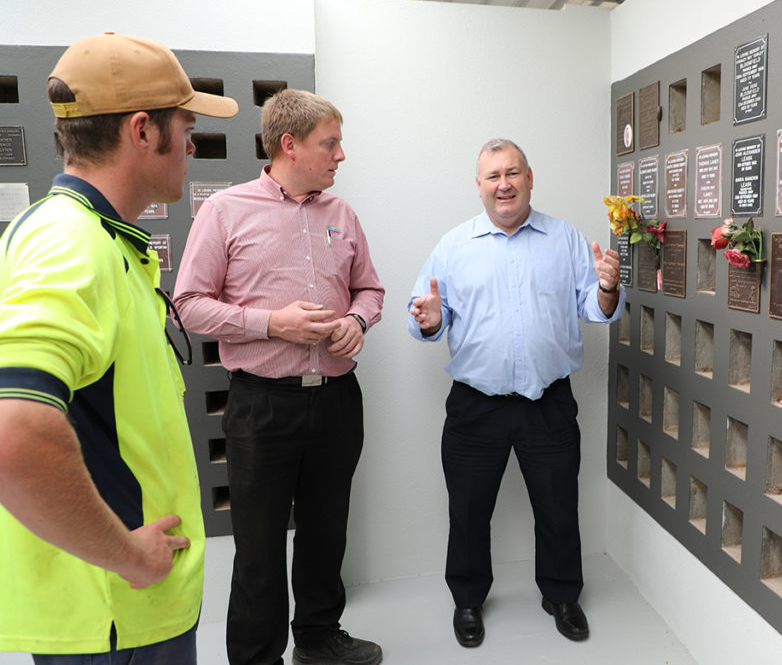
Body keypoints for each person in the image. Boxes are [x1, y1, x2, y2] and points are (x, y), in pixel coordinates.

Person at [0, 33, 237, 663]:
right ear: (142, 131)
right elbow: (13, 432)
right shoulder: (71, 243)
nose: (191, 144)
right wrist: (128, 555)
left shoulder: (94, 237)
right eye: (185, 126)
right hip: (116, 612)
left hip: (124, 605)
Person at [173, 88, 384, 665]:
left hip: (338, 400)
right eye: (331, 143)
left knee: (326, 532)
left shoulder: (342, 214)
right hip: (262, 406)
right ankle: (255, 656)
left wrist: (357, 320)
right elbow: (188, 305)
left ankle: (317, 638)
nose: (340, 155)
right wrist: (275, 325)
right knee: (259, 548)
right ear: (290, 145)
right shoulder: (225, 210)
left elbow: (370, 288)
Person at [407, 138, 624, 647]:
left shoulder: (565, 238)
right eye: (492, 176)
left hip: (547, 403)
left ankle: (562, 594)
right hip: (475, 406)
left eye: (512, 173)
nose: (503, 184)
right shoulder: (453, 246)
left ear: (529, 177)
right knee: (467, 508)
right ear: (479, 186)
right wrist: (432, 320)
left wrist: (609, 287)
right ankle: (467, 600)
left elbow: (594, 309)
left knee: (557, 504)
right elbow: (424, 318)